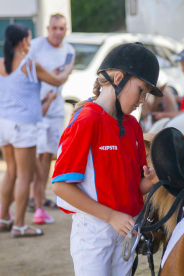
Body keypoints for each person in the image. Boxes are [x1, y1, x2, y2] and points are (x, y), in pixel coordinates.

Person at [52, 43, 161, 275]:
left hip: (125, 228)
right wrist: (111, 216)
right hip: (94, 230)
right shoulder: (87, 120)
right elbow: (61, 186)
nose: (143, 100)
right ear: (119, 78)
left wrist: (150, 182)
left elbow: (133, 188)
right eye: (141, 89)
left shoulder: (132, 126)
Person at [0, 24, 73, 237]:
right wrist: (68, 67)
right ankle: (20, 225)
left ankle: (4, 217)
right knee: (25, 176)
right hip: (23, 126)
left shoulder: (2, 63)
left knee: (11, 173)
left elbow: (17, 94)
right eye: (29, 38)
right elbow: (58, 80)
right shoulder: (29, 63)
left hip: (4, 124)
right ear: (23, 41)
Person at [27, 13, 75, 224]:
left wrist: (55, 79)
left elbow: (64, 75)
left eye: (62, 29)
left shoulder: (68, 50)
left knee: (47, 157)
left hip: (54, 111)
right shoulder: (35, 46)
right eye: (54, 28)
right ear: (48, 28)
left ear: (66, 30)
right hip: (35, 111)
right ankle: (32, 198)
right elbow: (25, 70)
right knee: (33, 158)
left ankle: (39, 198)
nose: (58, 32)